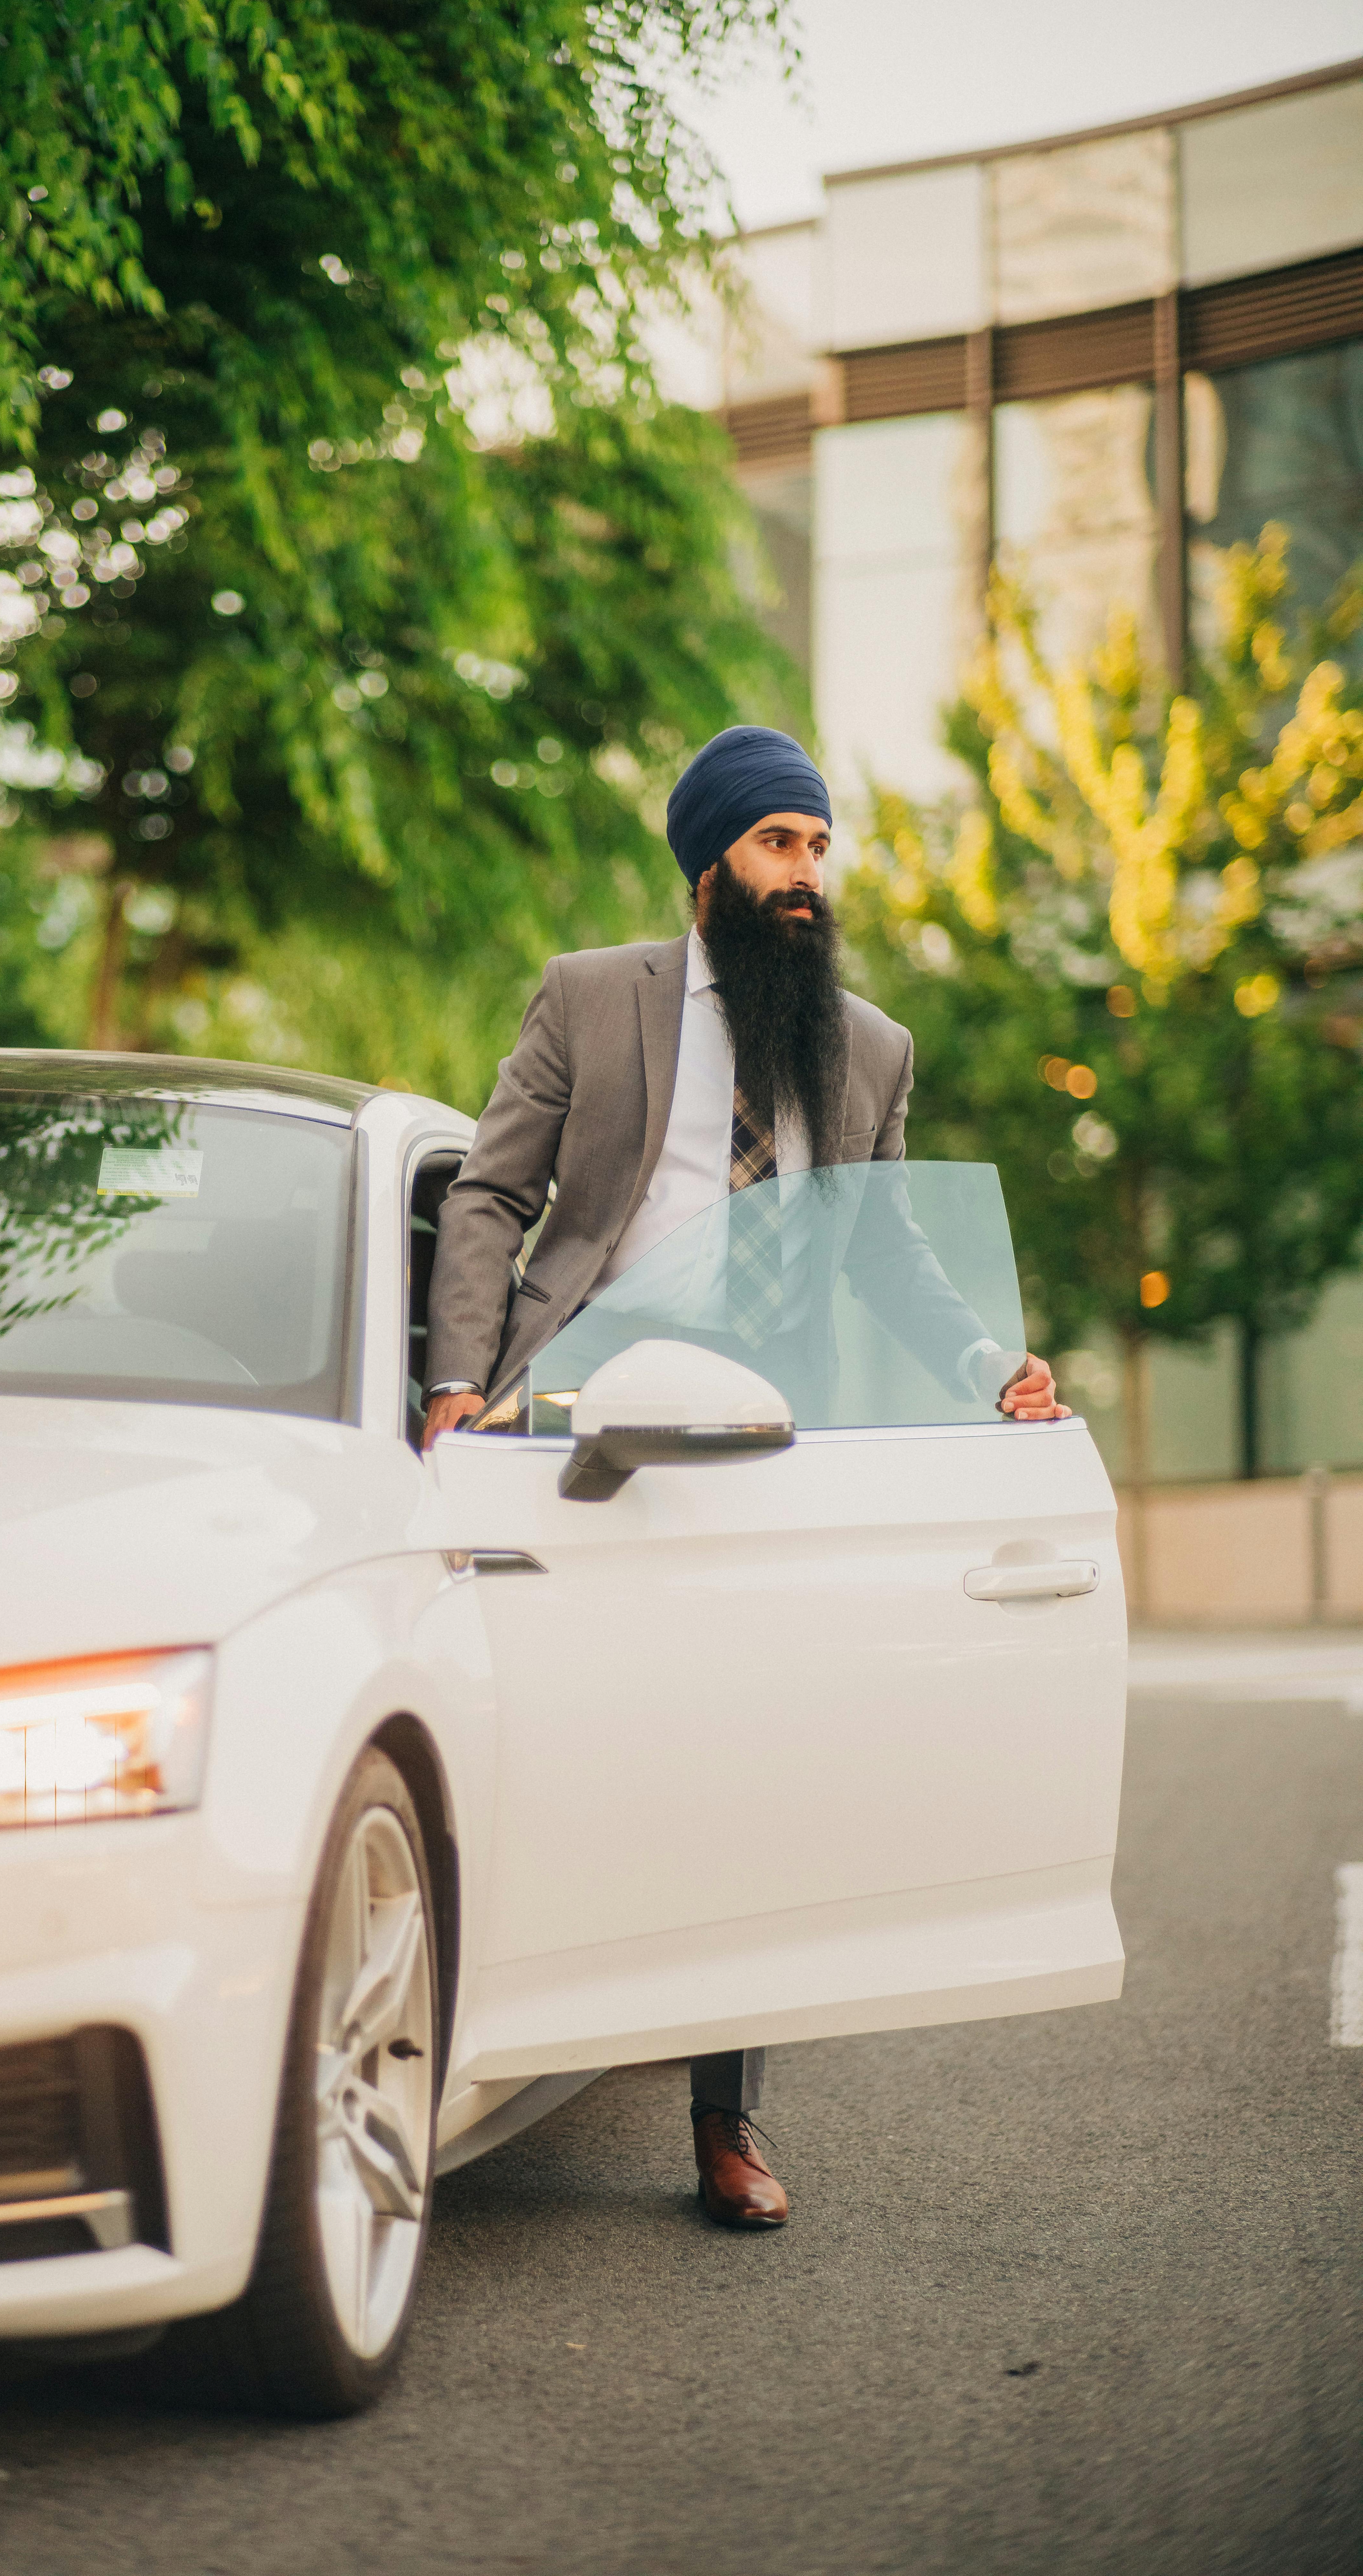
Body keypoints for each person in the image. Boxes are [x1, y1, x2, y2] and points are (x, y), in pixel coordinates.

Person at [421, 723, 1068, 2233]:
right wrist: (460, 1384)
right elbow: (493, 1193)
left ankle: (725, 2116)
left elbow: (890, 1247)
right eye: (780, 844)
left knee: (743, 1755)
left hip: (759, 1432)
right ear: (708, 860)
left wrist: (993, 1369)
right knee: (539, 1727)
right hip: (566, 1412)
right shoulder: (594, 996)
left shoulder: (870, 1046)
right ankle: (483, 2034)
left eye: (821, 847)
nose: (807, 874)